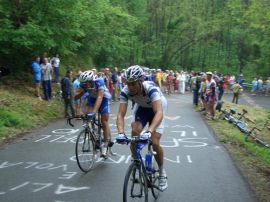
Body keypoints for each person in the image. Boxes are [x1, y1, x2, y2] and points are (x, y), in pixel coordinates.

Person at [116, 65, 168, 191]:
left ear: (140, 81)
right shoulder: (126, 91)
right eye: (128, 83)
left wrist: (149, 131)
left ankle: (162, 173)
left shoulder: (151, 89)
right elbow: (120, 114)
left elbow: (159, 113)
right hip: (142, 109)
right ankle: (136, 161)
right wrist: (121, 133)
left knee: (155, 142)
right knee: (134, 132)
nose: (131, 87)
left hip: (157, 109)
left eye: (133, 84)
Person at [74, 70, 112, 157]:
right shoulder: (83, 84)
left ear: (92, 80)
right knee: (88, 116)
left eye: (87, 83)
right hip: (91, 99)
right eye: (84, 84)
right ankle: (93, 134)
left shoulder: (99, 81)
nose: (86, 85)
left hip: (103, 99)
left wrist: (94, 112)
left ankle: (105, 145)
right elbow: (75, 96)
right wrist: (79, 93)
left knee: (104, 121)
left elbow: (99, 97)